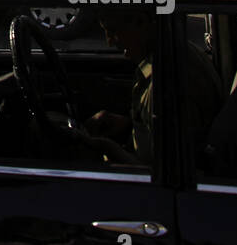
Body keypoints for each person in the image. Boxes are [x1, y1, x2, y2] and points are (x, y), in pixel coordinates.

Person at [87, 9, 222, 164]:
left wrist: (105, 148)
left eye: (113, 30)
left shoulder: (167, 85)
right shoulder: (180, 53)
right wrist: (129, 125)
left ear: (141, 22)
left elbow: (158, 174)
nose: (109, 41)